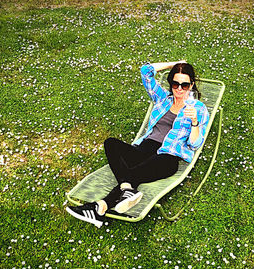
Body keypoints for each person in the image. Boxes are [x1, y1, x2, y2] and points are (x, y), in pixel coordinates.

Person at [66, 61, 209, 228]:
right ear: (171, 83)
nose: (179, 88)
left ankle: (100, 206)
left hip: (168, 156)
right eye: (175, 83)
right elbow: (146, 71)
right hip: (145, 148)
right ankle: (126, 189)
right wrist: (174, 64)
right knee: (111, 143)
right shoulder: (163, 98)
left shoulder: (198, 109)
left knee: (134, 173)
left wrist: (194, 122)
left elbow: (195, 144)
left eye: (184, 85)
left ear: (191, 85)